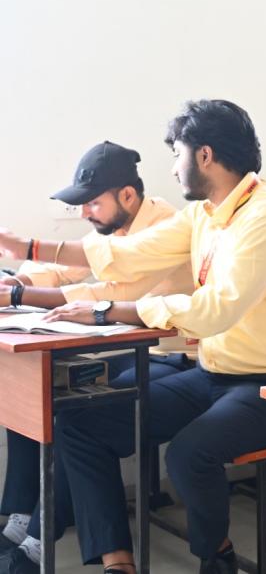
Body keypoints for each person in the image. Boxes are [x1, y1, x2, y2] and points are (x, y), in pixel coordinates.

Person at [0, 100, 266, 574]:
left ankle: (218, 556)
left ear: (204, 155)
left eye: (177, 155)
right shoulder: (205, 214)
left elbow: (216, 309)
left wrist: (106, 312)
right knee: (80, 425)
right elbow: (129, 253)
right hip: (213, 373)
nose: (173, 168)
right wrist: (24, 246)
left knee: (189, 456)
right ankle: (118, 562)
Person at [0, 142, 192, 573]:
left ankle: (37, 542)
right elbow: (65, 269)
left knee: (78, 411)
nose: (86, 212)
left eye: (92, 203)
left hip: (172, 357)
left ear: (127, 195)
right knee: (36, 387)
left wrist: (21, 294)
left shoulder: (164, 228)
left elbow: (114, 292)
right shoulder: (114, 225)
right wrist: (16, 281)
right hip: (131, 352)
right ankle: (19, 520)